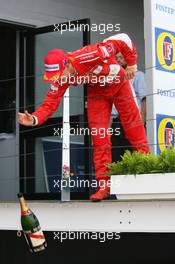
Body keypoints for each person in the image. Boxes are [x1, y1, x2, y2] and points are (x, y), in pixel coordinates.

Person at [18, 33, 149, 201]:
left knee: (134, 129)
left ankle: (147, 175)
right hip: (97, 94)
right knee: (99, 138)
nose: (59, 81)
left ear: (66, 65)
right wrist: (34, 118)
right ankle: (103, 187)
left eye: (60, 76)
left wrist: (132, 64)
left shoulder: (90, 53)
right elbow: (51, 102)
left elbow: (123, 39)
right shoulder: (61, 77)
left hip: (120, 85)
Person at [111, 51, 147, 162]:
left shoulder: (138, 75)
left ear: (127, 58)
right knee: (116, 157)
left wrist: (141, 120)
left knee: (133, 155)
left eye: (121, 57)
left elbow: (144, 99)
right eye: (116, 58)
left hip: (132, 120)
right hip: (116, 121)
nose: (119, 60)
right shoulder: (114, 79)